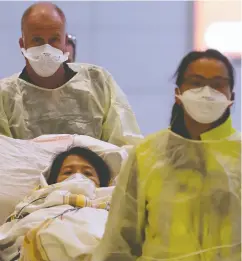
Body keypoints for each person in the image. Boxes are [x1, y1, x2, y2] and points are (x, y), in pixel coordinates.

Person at [91, 49, 241, 261]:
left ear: (231, 97)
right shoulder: (147, 154)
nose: (207, 92)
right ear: (178, 94)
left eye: (217, 84)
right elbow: (120, 237)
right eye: (196, 83)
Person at [0, 2, 142, 146]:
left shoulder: (98, 82)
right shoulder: (5, 96)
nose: (46, 49)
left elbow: (125, 150)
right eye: (37, 40)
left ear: (65, 43)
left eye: (54, 39)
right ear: (22, 44)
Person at [47, 146, 111, 187]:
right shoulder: (39, 202)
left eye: (87, 173)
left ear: (100, 182)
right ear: (54, 181)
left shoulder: (114, 204)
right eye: (68, 172)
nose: (78, 178)